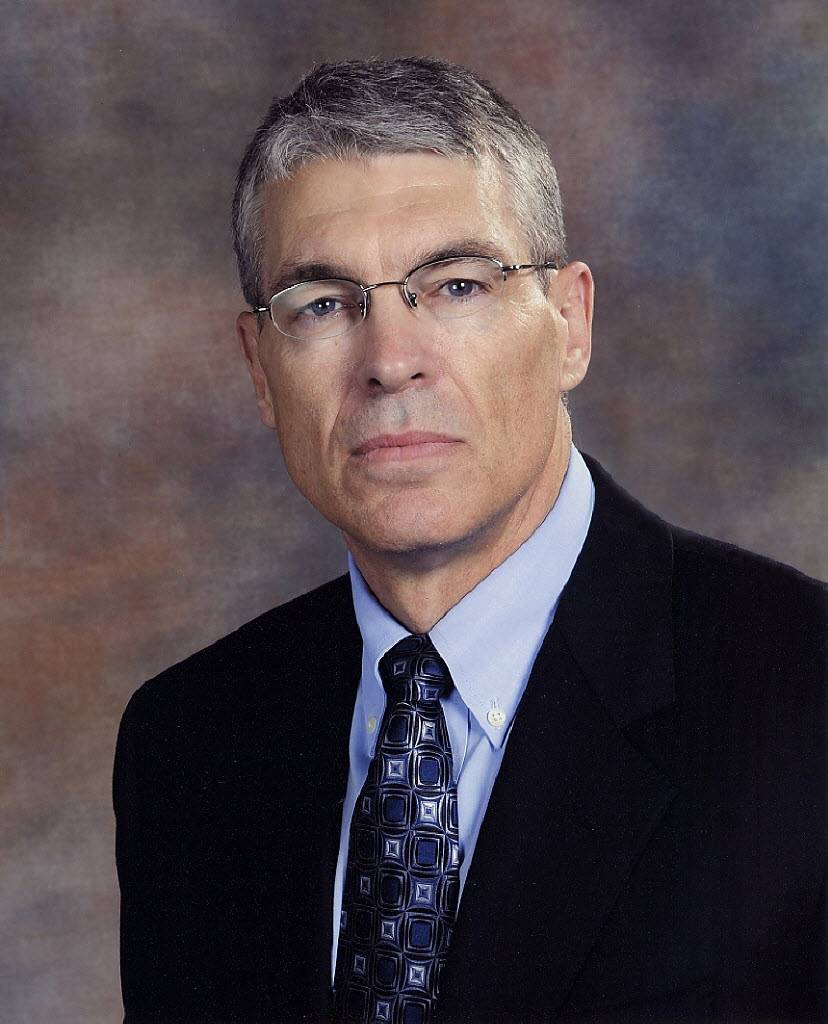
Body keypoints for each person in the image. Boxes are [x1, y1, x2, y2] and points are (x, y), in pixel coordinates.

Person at [113, 57, 825, 1024]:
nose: (390, 361)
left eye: (456, 285)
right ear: (260, 368)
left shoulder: (801, 692)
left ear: (569, 324)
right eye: (322, 304)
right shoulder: (187, 742)